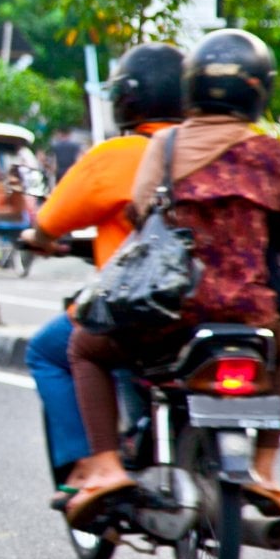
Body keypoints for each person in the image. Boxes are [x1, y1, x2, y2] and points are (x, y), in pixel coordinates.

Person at [66, 30, 280, 525]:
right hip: (252, 317)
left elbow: (140, 211)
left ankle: (106, 467)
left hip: (170, 317)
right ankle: (265, 468)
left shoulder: (166, 145)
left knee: (83, 347)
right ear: (259, 90)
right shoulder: (268, 153)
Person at [19, 43, 184, 501]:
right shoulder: (223, 150)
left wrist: (39, 238)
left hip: (142, 310)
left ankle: (90, 467)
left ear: (128, 99)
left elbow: (49, 222)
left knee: (49, 350)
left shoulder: (118, 154)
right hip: (218, 305)